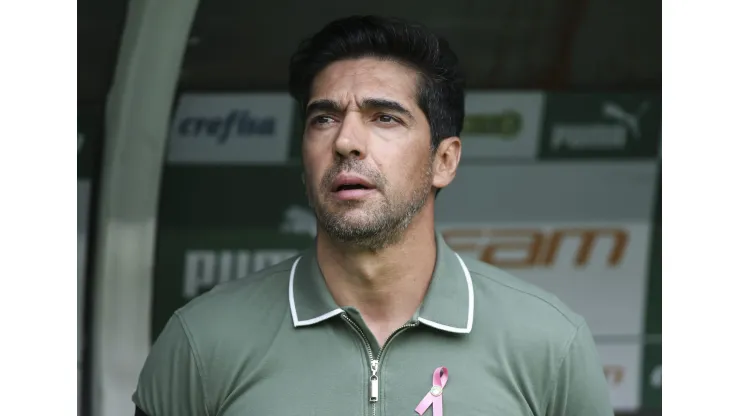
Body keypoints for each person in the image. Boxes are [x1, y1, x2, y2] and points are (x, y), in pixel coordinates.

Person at [133, 15, 614, 416]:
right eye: (324, 118)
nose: (345, 141)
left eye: (384, 117)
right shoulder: (201, 340)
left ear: (444, 161)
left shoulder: (549, 342)